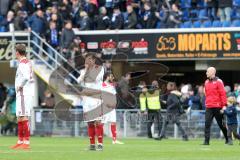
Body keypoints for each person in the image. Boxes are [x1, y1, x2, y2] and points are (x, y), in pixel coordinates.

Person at [77, 53, 105, 151]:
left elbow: (95, 79)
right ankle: (92, 145)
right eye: (86, 60)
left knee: (97, 121)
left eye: (89, 60)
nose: (87, 62)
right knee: (89, 122)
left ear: (93, 60)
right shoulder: (83, 71)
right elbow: (78, 81)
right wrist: (85, 71)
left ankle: (100, 144)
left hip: (96, 98)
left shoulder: (100, 69)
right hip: (86, 99)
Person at [11, 44, 34, 150]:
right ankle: (20, 141)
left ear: (17, 52)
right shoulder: (26, 62)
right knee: (20, 117)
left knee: (24, 117)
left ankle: (26, 141)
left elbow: (26, 78)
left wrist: (20, 86)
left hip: (24, 93)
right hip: (22, 93)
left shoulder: (23, 64)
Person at [203, 67, 228, 145]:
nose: (206, 73)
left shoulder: (219, 81)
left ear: (213, 72)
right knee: (207, 124)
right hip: (209, 106)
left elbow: (223, 94)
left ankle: (228, 138)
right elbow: (206, 93)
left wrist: (224, 105)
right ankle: (206, 141)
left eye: (207, 72)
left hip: (218, 107)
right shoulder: (206, 82)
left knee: (221, 125)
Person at [102, 72, 124, 144]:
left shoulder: (112, 85)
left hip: (112, 107)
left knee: (113, 123)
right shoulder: (102, 85)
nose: (113, 78)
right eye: (111, 76)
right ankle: (99, 139)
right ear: (107, 77)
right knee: (102, 123)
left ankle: (114, 140)